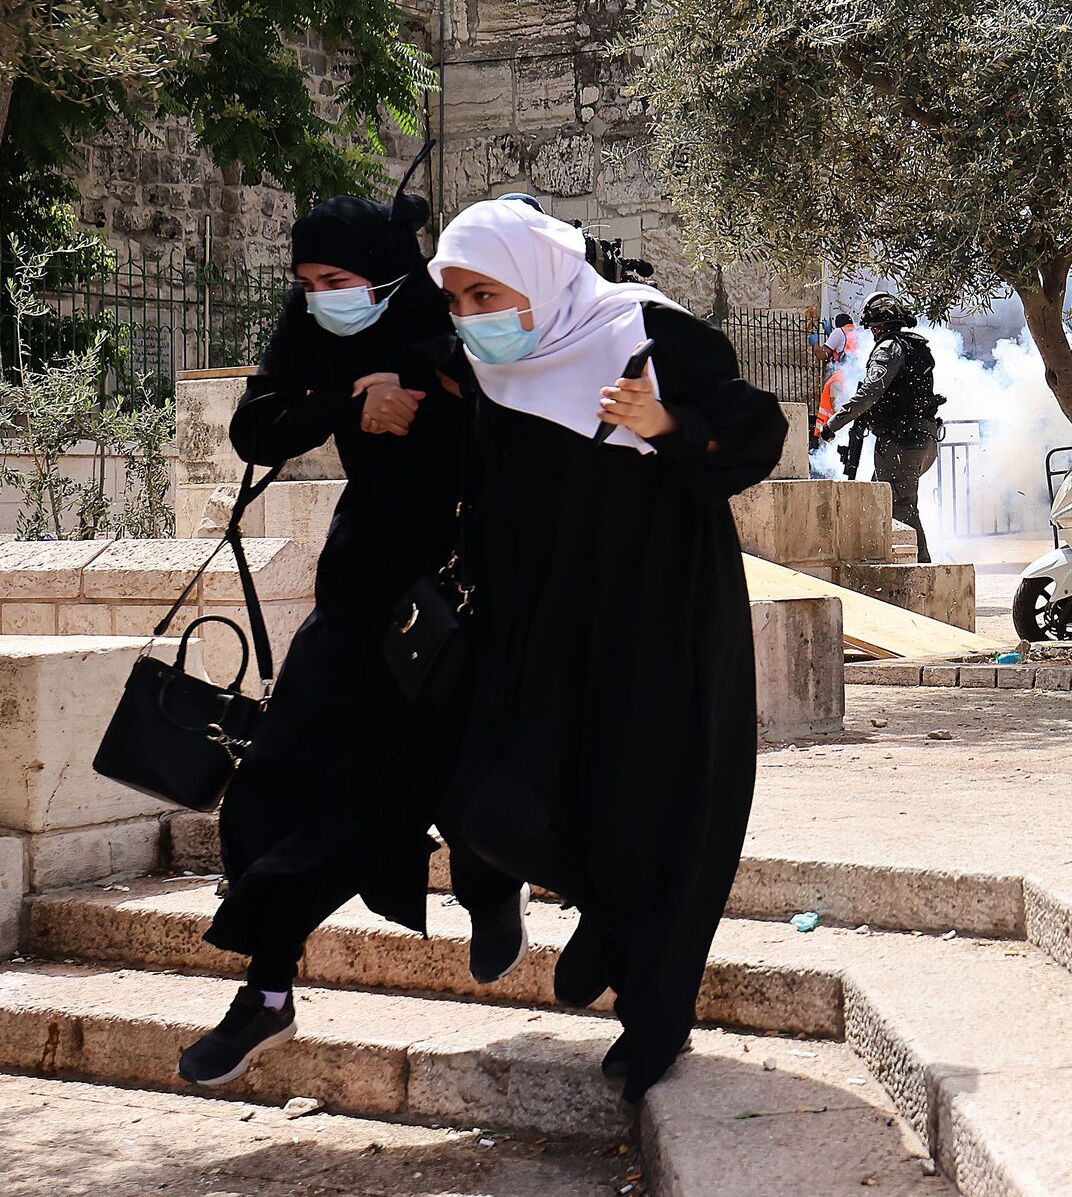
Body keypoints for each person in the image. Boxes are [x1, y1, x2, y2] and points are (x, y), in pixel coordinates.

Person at [426, 198, 786, 1104]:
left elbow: (756, 432)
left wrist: (669, 427)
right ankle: (607, 909)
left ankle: (652, 1022)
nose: (472, 316)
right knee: (485, 800)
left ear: (537, 276)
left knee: (649, 808)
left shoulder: (645, 333)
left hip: (654, 623)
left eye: (484, 292)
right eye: (457, 299)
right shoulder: (483, 366)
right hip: (536, 622)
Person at [179, 178, 527, 1087]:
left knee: (462, 766)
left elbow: (507, 382)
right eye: (305, 279)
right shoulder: (312, 322)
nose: (318, 294)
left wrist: (417, 377)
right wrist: (349, 402)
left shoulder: (451, 303)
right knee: (281, 781)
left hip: (468, 582)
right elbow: (258, 428)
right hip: (364, 582)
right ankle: (265, 992)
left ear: (379, 270)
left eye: (333, 276)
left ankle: (491, 890)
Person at [821, 291, 942, 562]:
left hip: (902, 441)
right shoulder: (914, 346)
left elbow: (870, 392)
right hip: (922, 438)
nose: (872, 333)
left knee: (899, 507)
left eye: (873, 328)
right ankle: (884, 562)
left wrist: (834, 424)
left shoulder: (888, 348)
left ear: (879, 325)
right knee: (881, 502)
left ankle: (920, 571)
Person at [812, 313, 857, 449]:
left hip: (842, 379)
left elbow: (822, 354)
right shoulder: (858, 332)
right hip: (857, 378)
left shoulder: (839, 332)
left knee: (835, 411)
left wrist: (814, 343)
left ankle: (829, 442)